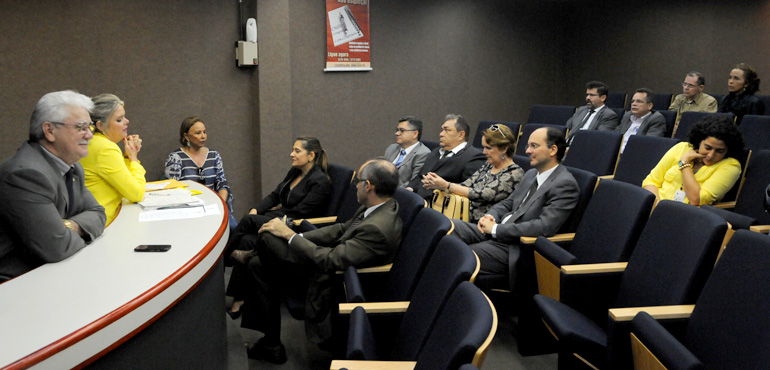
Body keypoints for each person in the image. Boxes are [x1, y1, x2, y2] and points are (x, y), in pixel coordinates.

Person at [239, 159, 402, 363]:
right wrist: (299, 236)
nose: (355, 186)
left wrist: (290, 236)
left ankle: (252, 253)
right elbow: (341, 229)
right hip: (331, 262)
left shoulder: (377, 228)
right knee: (258, 266)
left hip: (332, 283)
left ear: (368, 186)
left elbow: (330, 260)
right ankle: (271, 345)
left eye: (358, 182)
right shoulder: (380, 207)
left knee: (267, 239)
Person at [451, 127, 579, 286]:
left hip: (516, 247)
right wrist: (490, 216)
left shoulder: (565, 184)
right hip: (498, 232)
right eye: (528, 146)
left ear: (553, 150)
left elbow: (545, 226)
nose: (527, 151)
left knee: (457, 255)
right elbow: (508, 203)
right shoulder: (531, 174)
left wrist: (496, 229)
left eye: (534, 146)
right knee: (449, 228)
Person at [0, 91, 106, 281]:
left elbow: (98, 212)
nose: (90, 135)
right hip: (18, 284)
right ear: (49, 131)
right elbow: (57, 247)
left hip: (53, 272)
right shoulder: (24, 174)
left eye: (89, 127)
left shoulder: (72, 165)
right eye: (81, 127)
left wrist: (67, 226)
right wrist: (69, 231)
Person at [225, 137, 331, 316]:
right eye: (293, 150)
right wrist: (256, 209)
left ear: (311, 155)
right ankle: (239, 298)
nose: (292, 154)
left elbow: (299, 213)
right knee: (246, 239)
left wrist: (258, 217)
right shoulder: (295, 172)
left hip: (294, 228)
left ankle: (224, 257)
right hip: (280, 217)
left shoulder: (320, 181)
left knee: (248, 221)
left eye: (297, 151)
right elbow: (274, 195)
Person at [421, 124, 524, 222]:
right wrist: (437, 184)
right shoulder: (488, 166)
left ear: (504, 148)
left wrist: (447, 185)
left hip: (482, 223)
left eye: (488, 148)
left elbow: (483, 194)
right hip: (462, 216)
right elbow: (466, 185)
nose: (484, 152)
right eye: (483, 147)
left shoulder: (514, 173)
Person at [643, 115, 744, 205]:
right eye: (707, 148)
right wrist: (657, 206)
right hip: (656, 205)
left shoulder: (730, 166)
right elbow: (651, 181)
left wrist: (685, 163)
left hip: (686, 216)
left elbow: (696, 199)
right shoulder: (682, 148)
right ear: (699, 141)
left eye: (719, 151)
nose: (711, 155)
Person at [80, 94, 146, 224]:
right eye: (119, 120)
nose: (127, 121)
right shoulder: (105, 148)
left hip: (89, 219)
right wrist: (133, 159)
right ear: (100, 125)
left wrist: (127, 156)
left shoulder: (91, 142)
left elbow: (122, 181)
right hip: (104, 224)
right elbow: (136, 193)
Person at [407, 114, 486, 200]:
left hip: (440, 206)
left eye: (447, 130)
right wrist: (409, 189)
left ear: (461, 135)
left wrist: (444, 186)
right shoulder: (435, 151)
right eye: (442, 130)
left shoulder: (473, 157)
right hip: (417, 201)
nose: (441, 134)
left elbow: (469, 191)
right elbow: (420, 176)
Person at [164, 116, 233, 215]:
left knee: (234, 227)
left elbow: (222, 183)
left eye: (204, 132)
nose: (203, 136)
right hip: (188, 209)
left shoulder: (214, 155)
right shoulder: (176, 158)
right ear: (186, 136)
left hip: (213, 206)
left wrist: (220, 204)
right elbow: (172, 190)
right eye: (198, 133)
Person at [384, 116, 431, 188]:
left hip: (398, 193)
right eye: (397, 130)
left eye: (402, 130)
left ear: (415, 134)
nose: (397, 133)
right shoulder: (391, 148)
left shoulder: (423, 153)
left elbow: (415, 182)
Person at [616, 88, 667, 153]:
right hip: (616, 153)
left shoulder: (656, 119)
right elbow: (615, 135)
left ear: (649, 106)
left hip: (633, 154)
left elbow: (648, 143)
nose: (634, 104)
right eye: (632, 101)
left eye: (639, 101)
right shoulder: (627, 115)